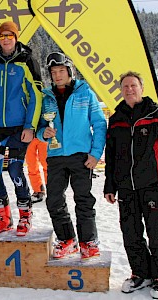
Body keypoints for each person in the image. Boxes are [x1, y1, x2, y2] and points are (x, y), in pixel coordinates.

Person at [104, 71, 158, 299]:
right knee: (130, 232)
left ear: (141, 88)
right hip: (126, 187)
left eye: (133, 85)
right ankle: (140, 273)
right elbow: (112, 156)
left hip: (152, 185)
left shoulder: (157, 115)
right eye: (125, 86)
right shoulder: (116, 118)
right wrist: (110, 186)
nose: (129, 89)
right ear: (121, 90)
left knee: (156, 232)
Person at [36, 52, 107, 259]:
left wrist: (95, 154)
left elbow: (100, 124)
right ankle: (67, 240)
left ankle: (88, 241)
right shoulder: (46, 97)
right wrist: (43, 133)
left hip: (81, 155)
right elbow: (39, 126)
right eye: (53, 72)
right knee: (54, 201)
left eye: (61, 71)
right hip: (56, 155)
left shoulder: (85, 93)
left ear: (69, 71)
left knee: (83, 199)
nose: (57, 75)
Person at [0, 21, 42, 237]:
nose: (5, 39)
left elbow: (36, 95)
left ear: (16, 37)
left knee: (15, 170)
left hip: (18, 128)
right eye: (1, 36)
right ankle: (3, 217)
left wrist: (30, 125)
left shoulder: (27, 61)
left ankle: (25, 215)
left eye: (9, 35)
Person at [25, 137, 47, 203]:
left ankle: (52, 190)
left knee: (47, 164)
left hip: (43, 134)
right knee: (32, 165)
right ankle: (38, 190)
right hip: (29, 136)